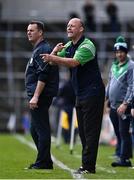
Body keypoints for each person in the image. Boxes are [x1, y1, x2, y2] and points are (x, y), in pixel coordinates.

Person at [41, 18, 105, 174]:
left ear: (81, 29)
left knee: (90, 131)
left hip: (93, 92)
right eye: (67, 26)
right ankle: (87, 164)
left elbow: (73, 62)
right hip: (80, 93)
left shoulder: (87, 45)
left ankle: (88, 166)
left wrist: (53, 57)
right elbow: (51, 62)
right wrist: (54, 52)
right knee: (82, 131)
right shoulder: (69, 45)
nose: (68, 28)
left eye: (72, 26)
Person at [25, 20, 59, 169]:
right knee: (34, 128)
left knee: (41, 128)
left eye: (32, 30)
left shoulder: (43, 48)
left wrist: (36, 96)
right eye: (28, 30)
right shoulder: (38, 48)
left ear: (40, 32)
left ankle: (43, 162)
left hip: (41, 95)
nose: (29, 32)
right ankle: (45, 160)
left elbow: (43, 75)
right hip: (38, 94)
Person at [106, 36, 133, 167]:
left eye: (121, 52)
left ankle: (125, 159)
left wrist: (125, 103)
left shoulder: (131, 66)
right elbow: (109, 83)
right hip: (112, 105)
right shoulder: (114, 66)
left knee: (124, 132)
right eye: (117, 52)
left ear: (126, 52)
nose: (119, 54)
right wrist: (106, 99)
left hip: (123, 105)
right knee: (118, 132)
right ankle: (119, 153)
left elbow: (132, 86)